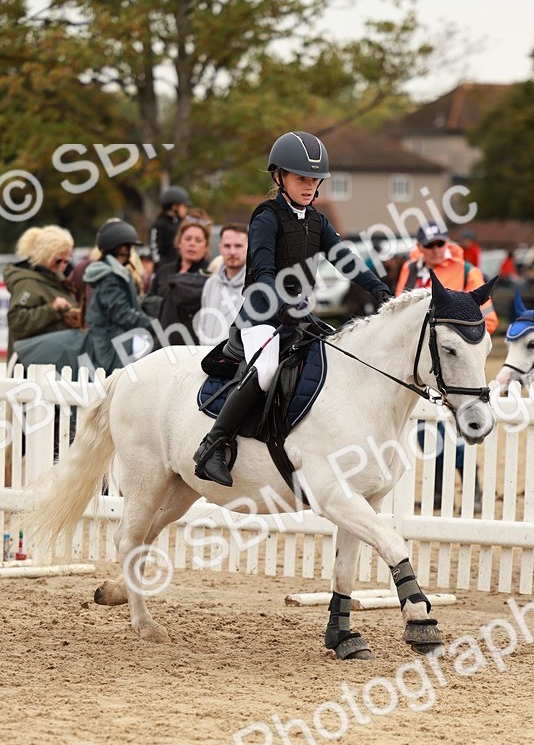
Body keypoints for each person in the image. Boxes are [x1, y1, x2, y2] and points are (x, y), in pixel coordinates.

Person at [193, 130, 392, 486]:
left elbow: (344, 260)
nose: (309, 186)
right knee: (267, 370)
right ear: (279, 176)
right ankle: (212, 445)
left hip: (297, 317)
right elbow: (265, 270)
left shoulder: (317, 221)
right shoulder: (266, 217)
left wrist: (378, 287)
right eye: (301, 178)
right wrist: (282, 304)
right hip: (260, 319)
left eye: (315, 180)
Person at [396, 221, 498, 511]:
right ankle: (440, 493)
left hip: (457, 363)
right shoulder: (411, 269)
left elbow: (488, 320)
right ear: (420, 248)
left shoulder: (468, 271)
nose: (436, 250)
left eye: (440, 243)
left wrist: (454, 332)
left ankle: (473, 491)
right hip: (422, 364)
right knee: (425, 431)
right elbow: (398, 312)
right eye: (429, 246)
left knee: (457, 431)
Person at [83, 221, 157, 372]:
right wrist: (153, 323)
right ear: (122, 248)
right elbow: (122, 313)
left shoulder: (115, 272)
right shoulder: (111, 276)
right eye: (128, 247)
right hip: (111, 341)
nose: (129, 251)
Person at [4, 226, 82, 359]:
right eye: (58, 260)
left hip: (54, 359)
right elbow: (17, 321)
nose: (63, 266)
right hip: (31, 363)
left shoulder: (57, 279)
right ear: (45, 255)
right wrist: (51, 310)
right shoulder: (28, 282)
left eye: (67, 261)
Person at [150, 217, 211, 345]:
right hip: (160, 340)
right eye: (188, 239)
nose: (192, 244)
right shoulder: (164, 271)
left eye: (198, 240)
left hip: (192, 344)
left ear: (206, 246)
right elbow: (148, 301)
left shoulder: (210, 274)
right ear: (179, 242)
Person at [196, 222, 248, 347]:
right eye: (227, 246)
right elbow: (203, 324)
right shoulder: (211, 283)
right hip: (205, 357)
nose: (232, 251)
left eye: (238, 246)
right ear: (220, 248)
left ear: (249, 247)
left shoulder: (256, 286)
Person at [149, 185, 190, 265]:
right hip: (165, 272)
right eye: (184, 206)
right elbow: (155, 252)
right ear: (174, 207)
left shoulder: (182, 224)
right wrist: (165, 269)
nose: (186, 209)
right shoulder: (159, 225)